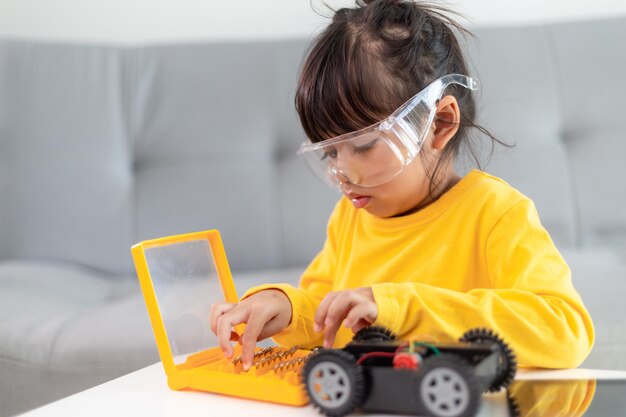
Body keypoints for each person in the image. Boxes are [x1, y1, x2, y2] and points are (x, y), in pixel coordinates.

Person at [210, 0, 594, 371]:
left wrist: (403, 310)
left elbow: (564, 328)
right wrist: (284, 306)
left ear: (439, 124)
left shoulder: (495, 214)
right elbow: (322, 311)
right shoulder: (350, 216)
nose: (342, 174)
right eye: (329, 154)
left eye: (362, 145)